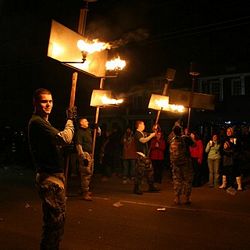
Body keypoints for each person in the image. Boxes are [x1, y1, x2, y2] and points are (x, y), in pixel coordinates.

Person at [28, 88, 76, 250]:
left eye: (50, 101)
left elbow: (57, 144)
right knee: (54, 223)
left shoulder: (44, 122)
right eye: (44, 101)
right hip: (50, 179)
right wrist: (70, 121)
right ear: (35, 103)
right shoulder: (37, 122)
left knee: (55, 222)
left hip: (53, 177)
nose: (48, 104)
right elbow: (65, 138)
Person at [169, 125, 195, 205]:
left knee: (177, 180)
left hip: (175, 163)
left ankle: (177, 198)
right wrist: (191, 137)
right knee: (187, 180)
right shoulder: (186, 138)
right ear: (181, 131)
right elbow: (194, 145)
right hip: (185, 163)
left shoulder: (172, 139)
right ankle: (187, 198)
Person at [133, 120, 159, 195]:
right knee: (139, 173)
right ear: (139, 125)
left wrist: (155, 129)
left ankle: (151, 186)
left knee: (150, 171)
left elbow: (151, 134)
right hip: (140, 155)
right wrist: (151, 135)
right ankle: (136, 188)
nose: (144, 126)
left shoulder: (143, 133)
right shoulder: (137, 133)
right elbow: (143, 141)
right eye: (143, 124)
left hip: (145, 156)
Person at [75, 117, 94, 201]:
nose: (88, 122)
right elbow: (78, 145)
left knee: (89, 173)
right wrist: (82, 157)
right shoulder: (79, 132)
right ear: (81, 123)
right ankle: (85, 193)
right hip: (85, 154)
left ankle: (84, 189)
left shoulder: (88, 130)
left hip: (90, 154)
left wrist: (98, 128)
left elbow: (98, 133)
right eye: (85, 121)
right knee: (85, 174)